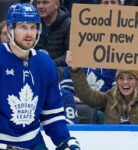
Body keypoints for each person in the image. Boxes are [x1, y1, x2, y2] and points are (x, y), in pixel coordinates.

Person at [0, 3, 80, 150]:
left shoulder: (45, 64)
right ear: (11, 29)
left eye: (33, 27)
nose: (29, 33)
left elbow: (52, 117)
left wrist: (66, 141)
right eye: (23, 27)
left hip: (33, 142)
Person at [66, 51, 138, 124]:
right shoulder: (110, 97)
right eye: (121, 78)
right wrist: (76, 70)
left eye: (130, 78)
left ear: (137, 81)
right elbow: (86, 95)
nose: (125, 82)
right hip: (113, 142)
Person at [35, 0, 71, 79]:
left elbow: (70, 54)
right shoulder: (33, 23)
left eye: (45, 2)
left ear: (57, 4)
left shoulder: (69, 24)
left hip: (59, 69)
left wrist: (49, 63)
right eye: (38, 3)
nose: (40, 6)